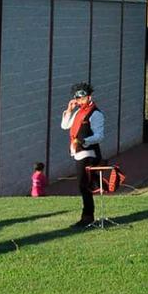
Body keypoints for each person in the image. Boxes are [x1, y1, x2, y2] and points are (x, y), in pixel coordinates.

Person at [60, 82, 104, 227]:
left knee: (83, 185)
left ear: (89, 97)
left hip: (88, 153)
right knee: (82, 185)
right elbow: (65, 125)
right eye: (77, 99)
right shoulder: (78, 112)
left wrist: (83, 140)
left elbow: (99, 136)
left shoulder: (95, 113)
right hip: (78, 153)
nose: (79, 101)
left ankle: (87, 216)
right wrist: (69, 110)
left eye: (82, 98)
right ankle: (87, 216)